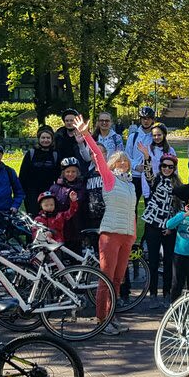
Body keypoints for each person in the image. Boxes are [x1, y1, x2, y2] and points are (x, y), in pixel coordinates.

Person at [74, 114, 135, 336]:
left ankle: (112, 316)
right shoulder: (109, 178)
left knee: (118, 280)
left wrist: (133, 235)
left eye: (125, 161)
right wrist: (85, 133)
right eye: (118, 161)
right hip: (110, 234)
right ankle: (101, 319)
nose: (122, 164)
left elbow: (132, 212)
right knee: (106, 279)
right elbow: (98, 154)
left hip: (126, 235)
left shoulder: (130, 185)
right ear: (111, 165)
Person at [138, 144, 182, 309]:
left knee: (169, 260)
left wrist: (172, 226)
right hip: (153, 224)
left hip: (169, 226)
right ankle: (153, 294)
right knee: (154, 261)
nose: (167, 169)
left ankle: (167, 293)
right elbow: (148, 174)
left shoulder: (178, 185)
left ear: (174, 168)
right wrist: (146, 157)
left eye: (170, 167)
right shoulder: (156, 179)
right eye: (164, 166)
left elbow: (178, 208)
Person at [19, 126, 61, 216]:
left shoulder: (55, 154)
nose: (45, 140)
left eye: (48, 138)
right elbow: (23, 174)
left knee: (48, 217)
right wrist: (23, 192)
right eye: (43, 138)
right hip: (31, 192)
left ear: (52, 139)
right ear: (39, 139)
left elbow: (58, 174)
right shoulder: (31, 153)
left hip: (48, 191)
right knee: (34, 217)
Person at [48, 157, 87, 254]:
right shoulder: (55, 188)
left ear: (77, 173)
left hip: (77, 227)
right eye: (67, 172)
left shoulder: (82, 186)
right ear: (63, 173)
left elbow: (84, 205)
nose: (70, 174)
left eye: (73, 171)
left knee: (76, 254)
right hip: (60, 227)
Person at [124, 106, 156, 206]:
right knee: (132, 206)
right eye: (143, 118)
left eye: (149, 118)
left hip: (150, 176)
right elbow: (127, 155)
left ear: (152, 120)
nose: (146, 121)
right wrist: (135, 166)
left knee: (150, 206)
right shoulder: (133, 137)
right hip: (135, 176)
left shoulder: (155, 136)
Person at [140, 123, 176, 201]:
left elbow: (175, 170)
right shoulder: (148, 149)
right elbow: (146, 170)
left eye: (159, 135)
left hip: (166, 187)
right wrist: (146, 192)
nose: (156, 137)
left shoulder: (170, 150)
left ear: (164, 135)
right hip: (151, 186)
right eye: (154, 135)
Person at [54, 108, 90, 174]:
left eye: (71, 120)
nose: (69, 123)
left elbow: (87, 157)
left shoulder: (85, 135)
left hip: (80, 171)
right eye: (67, 121)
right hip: (63, 172)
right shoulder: (58, 136)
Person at [85, 143, 108, 229]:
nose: (96, 155)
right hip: (93, 217)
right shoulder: (88, 175)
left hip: (109, 217)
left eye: (99, 152)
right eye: (93, 153)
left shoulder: (113, 173)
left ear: (106, 154)